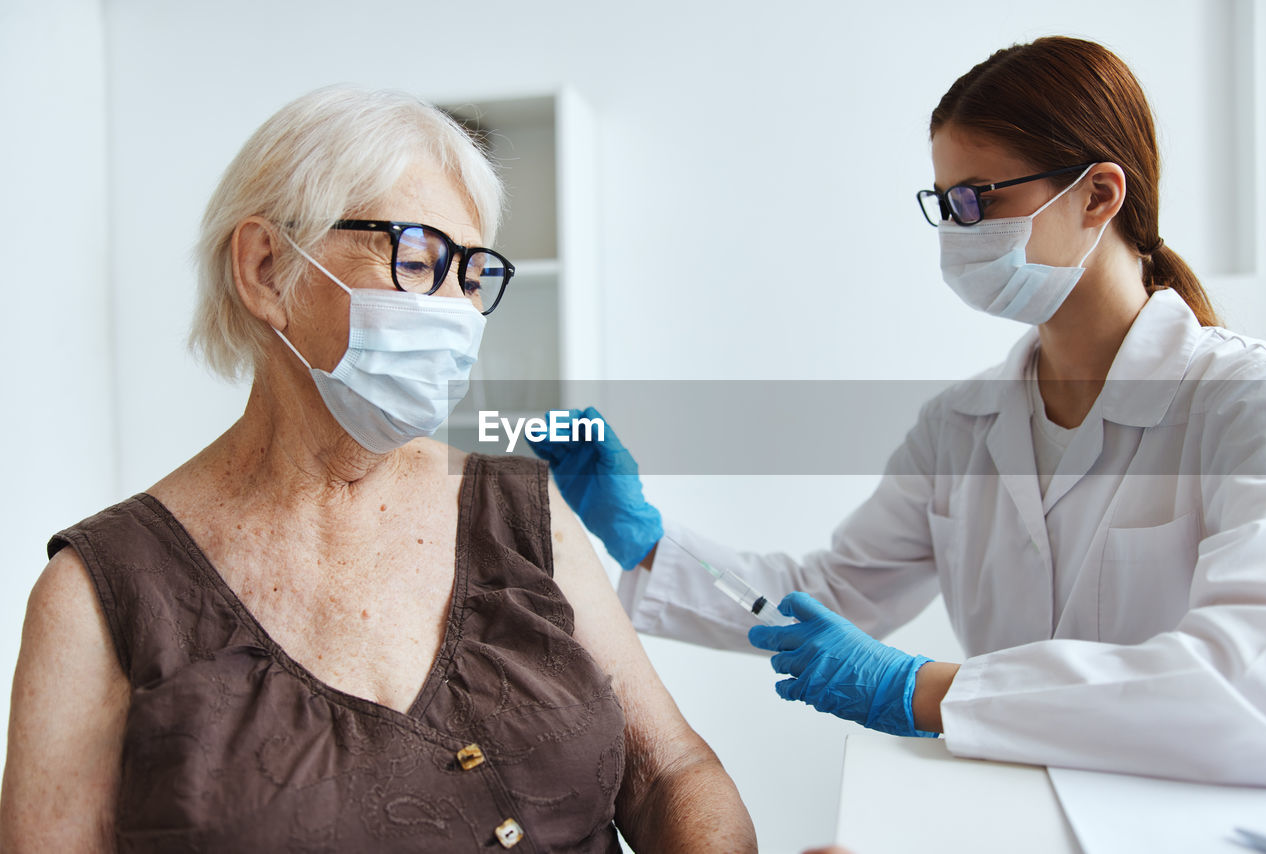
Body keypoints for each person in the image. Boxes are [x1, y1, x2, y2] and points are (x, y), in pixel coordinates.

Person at [0, 87, 756, 853]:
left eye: (470, 277)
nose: (458, 314)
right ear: (267, 269)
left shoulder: (517, 511)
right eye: (420, 260)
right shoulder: (97, 596)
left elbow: (671, 773)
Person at [530, 37, 1266, 785]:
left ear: (1097, 194)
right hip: (1010, 804)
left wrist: (922, 690)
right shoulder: (961, 428)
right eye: (946, 204)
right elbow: (829, 597)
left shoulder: (1244, 404)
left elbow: (1248, 684)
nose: (960, 231)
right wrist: (652, 543)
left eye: (981, 199)